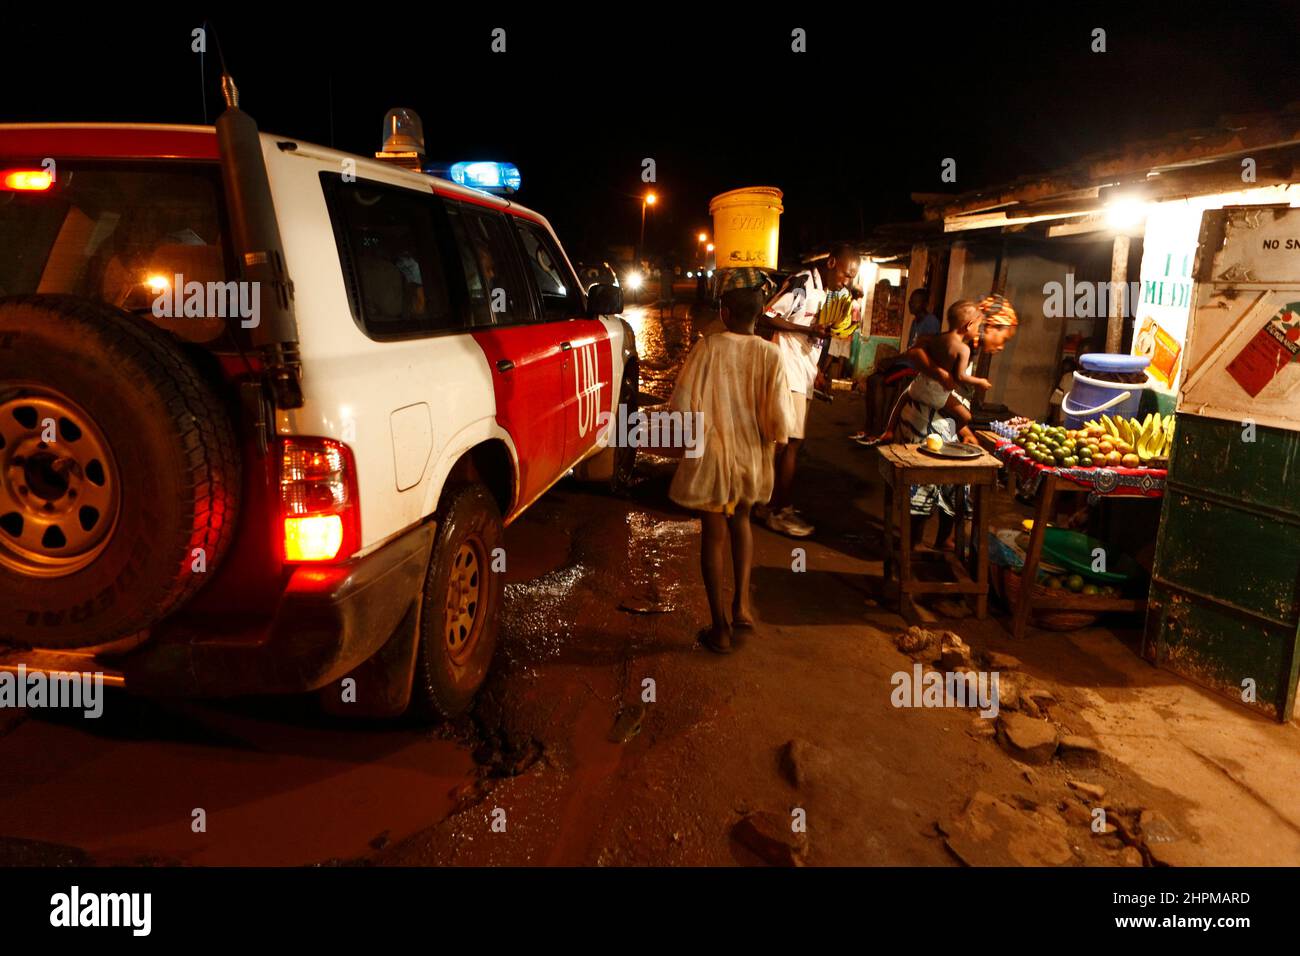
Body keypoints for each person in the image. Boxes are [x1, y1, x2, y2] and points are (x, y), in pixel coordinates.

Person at [668, 287, 794, 654]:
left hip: (713, 456)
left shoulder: (708, 348)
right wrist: (774, 441)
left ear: (724, 313)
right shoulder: (770, 354)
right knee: (742, 522)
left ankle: (719, 627)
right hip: (750, 457)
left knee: (713, 534)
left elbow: (681, 404)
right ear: (757, 316)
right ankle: (741, 606)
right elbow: (780, 422)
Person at [894, 294, 1018, 551]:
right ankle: (911, 545)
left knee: (956, 484)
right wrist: (942, 378)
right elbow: (917, 353)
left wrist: (962, 425)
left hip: (941, 420)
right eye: (1004, 338)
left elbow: (953, 394)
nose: (1003, 346)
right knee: (926, 486)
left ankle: (943, 540)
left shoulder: (970, 347)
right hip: (923, 417)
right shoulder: (956, 342)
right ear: (991, 326)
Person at [757, 242, 860, 537]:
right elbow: (766, 316)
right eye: (845, 274)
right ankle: (779, 512)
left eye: (851, 277)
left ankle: (766, 503)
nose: (847, 281)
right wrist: (806, 330)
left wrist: (818, 370)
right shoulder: (802, 283)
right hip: (786, 370)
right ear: (830, 262)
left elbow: (820, 338)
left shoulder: (831, 295)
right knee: (791, 443)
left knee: (782, 443)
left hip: (802, 374)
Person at [852, 288, 941, 444]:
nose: (910, 303)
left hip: (915, 367)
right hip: (905, 363)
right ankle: (868, 427)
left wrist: (892, 360)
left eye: (915, 300)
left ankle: (878, 430)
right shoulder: (915, 322)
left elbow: (917, 351)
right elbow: (909, 349)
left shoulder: (931, 322)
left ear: (925, 304)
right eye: (911, 300)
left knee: (879, 382)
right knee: (872, 379)